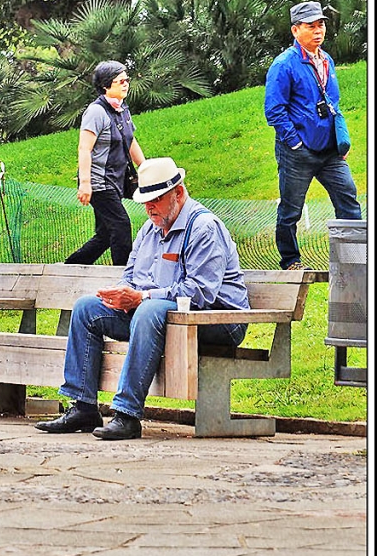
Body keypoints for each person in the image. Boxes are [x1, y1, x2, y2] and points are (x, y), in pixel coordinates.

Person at [35, 157, 250, 440]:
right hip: (162, 314)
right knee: (87, 308)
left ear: (179, 193)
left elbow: (200, 292)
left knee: (149, 310)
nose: (149, 208)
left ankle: (127, 414)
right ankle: (83, 407)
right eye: (145, 201)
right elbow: (132, 275)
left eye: (156, 200)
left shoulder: (203, 227)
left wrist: (142, 298)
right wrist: (121, 296)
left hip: (219, 320)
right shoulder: (149, 228)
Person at [264, 0, 362, 270]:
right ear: (296, 31)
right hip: (298, 152)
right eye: (311, 26)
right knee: (290, 211)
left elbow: (333, 102)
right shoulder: (284, 65)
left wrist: (339, 137)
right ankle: (291, 261)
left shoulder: (327, 59)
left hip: (329, 151)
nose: (318, 31)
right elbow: (274, 111)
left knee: (349, 200)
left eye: (321, 25)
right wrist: (295, 144)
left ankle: (353, 262)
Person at [66, 61, 146, 266]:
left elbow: (130, 141)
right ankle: (124, 276)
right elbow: (84, 148)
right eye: (120, 81)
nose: (126, 84)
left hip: (116, 180)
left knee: (104, 235)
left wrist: (146, 169)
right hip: (99, 183)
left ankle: (71, 267)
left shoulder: (122, 109)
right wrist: (85, 183)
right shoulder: (96, 112)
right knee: (120, 226)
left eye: (127, 80)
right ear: (106, 85)